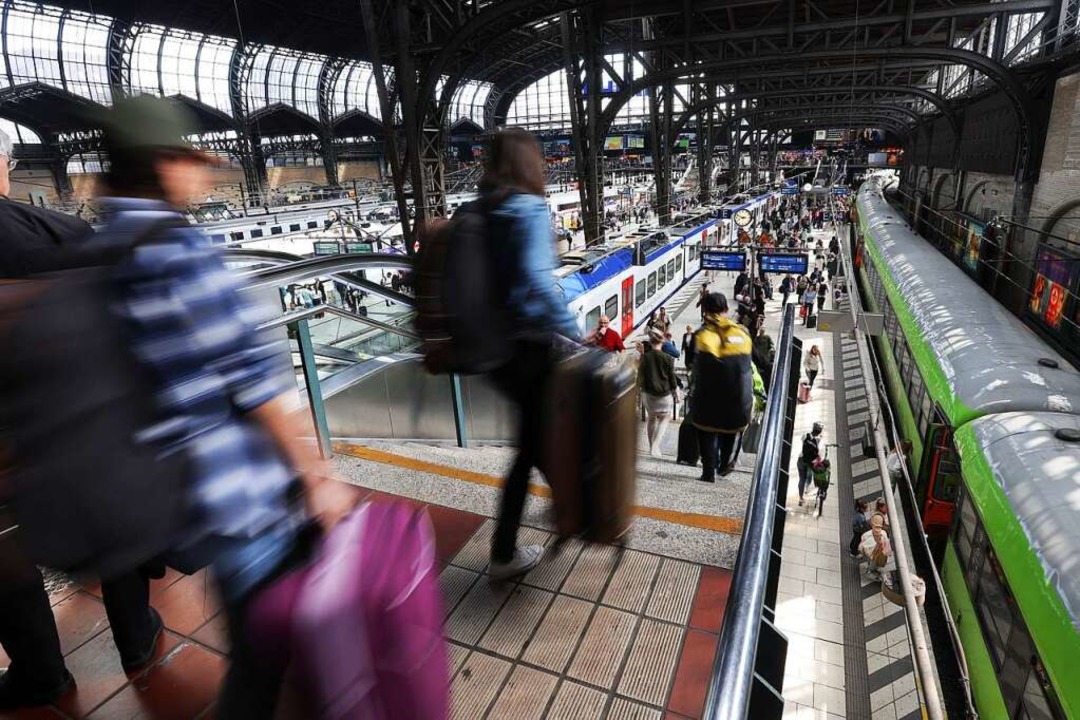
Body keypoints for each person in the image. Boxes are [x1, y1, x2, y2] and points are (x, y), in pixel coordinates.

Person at [90, 97, 357, 718]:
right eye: (190, 160)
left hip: (173, 491)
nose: (202, 175)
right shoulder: (179, 251)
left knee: (261, 652)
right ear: (160, 164)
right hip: (240, 495)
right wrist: (319, 478)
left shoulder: (103, 245)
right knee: (265, 661)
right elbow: (256, 381)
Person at [0, 128, 172, 710]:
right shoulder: (65, 230)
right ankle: (137, 638)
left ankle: (41, 673)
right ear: (5, 166)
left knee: (5, 555)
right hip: (79, 425)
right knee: (108, 523)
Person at [478, 129, 581, 580]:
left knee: (532, 446)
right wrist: (576, 335)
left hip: (494, 351)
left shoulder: (484, 207)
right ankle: (516, 546)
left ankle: (562, 515)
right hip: (529, 348)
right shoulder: (528, 208)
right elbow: (538, 284)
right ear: (528, 164)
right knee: (539, 445)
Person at [691, 293, 753, 482]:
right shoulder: (742, 333)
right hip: (737, 400)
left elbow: (689, 362)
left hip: (707, 400)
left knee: (706, 431)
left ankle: (708, 472)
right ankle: (725, 464)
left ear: (705, 311)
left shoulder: (701, 335)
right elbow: (757, 358)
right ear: (726, 310)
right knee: (729, 430)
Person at [638, 328, 679, 457]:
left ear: (650, 341)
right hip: (663, 394)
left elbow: (640, 377)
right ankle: (655, 445)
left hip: (648, 394)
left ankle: (651, 447)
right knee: (665, 417)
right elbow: (672, 378)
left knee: (651, 417)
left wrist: (638, 391)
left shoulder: (645, 358)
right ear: (662, 340)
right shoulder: (667, 358)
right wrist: (675, 392)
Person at [797, 422, 823, 505]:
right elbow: (818, 452)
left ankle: (801, 498)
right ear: (819, 431)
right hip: (810, 462)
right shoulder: (817, 440)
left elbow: (802, 440)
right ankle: (806, 488)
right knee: (809, 476)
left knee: (801, 478)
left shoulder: (805, 435)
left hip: (801, 459)